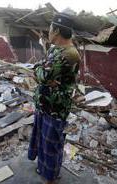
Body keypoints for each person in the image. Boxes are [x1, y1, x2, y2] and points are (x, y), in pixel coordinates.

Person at [28, 13, 80, 184]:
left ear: (56, 31)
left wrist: (41, 72)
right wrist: (42, 71)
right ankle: (43, 169)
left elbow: (42, 74)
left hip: (56, 108)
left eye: (50, 29)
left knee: (51, 146)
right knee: (42, 141)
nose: (48, 33)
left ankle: (51, 177)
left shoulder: (70, 54)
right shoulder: (54, 49)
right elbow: (42, 69)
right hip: (44, 103)